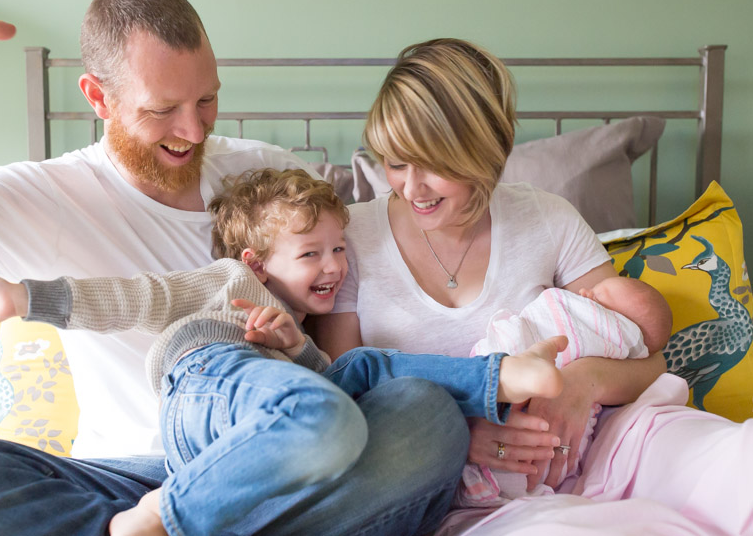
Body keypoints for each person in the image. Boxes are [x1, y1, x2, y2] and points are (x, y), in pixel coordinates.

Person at [0, 0, 471, 535]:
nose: (193, 131)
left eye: (207, 101)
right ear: (98, 98)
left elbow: (344, 321)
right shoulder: (45, 196)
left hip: (275, 463)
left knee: (427, 416)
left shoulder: (270, 174)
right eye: (163, 110)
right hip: (123, 479)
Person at [0, 167, 569, 535]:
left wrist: (298, 349)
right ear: (255, 264)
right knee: (335, 397)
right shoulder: (229, 286)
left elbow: (330, 387)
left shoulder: (300, 332)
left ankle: (496, 378)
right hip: (208, 376)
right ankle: (164, 517)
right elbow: (136, 298)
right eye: (311, 254)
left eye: (340, 249)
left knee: (367, 380)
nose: (334, 267)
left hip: (257, 448)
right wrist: (28, 299)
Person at [311, 37, 753, 535]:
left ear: (484, 152)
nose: (411, 188)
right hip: (471, 489)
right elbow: (339, 397)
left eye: (433, 165)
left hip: (610, 440)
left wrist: (582, 384)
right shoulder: (346, 240)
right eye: (395, 162)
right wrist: (454, 434)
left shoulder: (546, 217)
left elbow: (648, 357)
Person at [461, 276, 672, 506]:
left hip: (592, 430)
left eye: (599, 295)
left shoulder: (614, 327)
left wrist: (582, 380)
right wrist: (464, 422)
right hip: (452, 417)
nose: (583, 292)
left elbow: (654, 364)